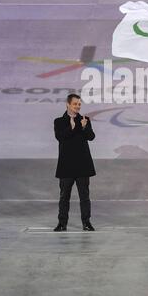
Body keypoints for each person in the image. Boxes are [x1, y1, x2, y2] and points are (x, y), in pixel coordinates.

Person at [53, 94, 96, 232]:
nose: (77, 106)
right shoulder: (59, 121)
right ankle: (62, 223)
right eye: (75, 104)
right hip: (66, 165)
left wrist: (84, 127)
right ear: (68, 104)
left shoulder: (85, 120)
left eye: (79, 104)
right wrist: (71, 128)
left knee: (84, 196)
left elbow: (91, 137)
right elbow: (60, 137)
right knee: (64, 196)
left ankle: (86, 223)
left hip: (83, 164)